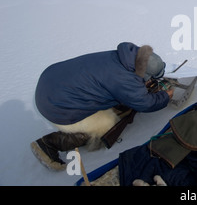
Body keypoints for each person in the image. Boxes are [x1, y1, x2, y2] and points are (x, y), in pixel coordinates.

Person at [31, 42, 173, 171]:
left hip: (50, 81)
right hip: (57, 108)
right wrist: (165, 97)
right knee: (107, 123)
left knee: (110, 96)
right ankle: (51, 143)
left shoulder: (124, 56)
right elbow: (145, 104)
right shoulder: (123, 79)